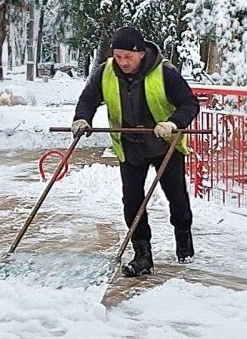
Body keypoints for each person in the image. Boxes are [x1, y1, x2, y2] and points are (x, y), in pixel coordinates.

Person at [71, 27, 200, 277]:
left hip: (165, 145)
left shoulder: (164, 72)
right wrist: (82, 118)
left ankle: (183, 238)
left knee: (177, 197)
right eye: (118, 56)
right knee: (132, 201)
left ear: (141, 53)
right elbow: (87, 100)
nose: (123, 62)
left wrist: (173, 123)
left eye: (128, 57)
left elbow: (189, 104)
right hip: (130, 147)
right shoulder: (105, 73)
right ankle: (142, 255)